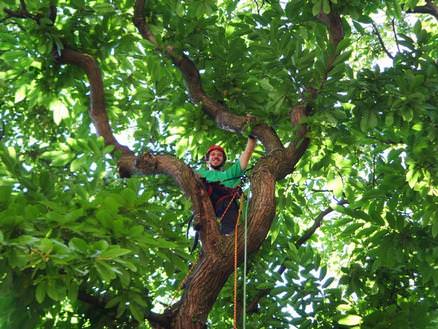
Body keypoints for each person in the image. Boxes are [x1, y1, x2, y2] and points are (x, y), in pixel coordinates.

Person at [197, 136, 256, 235]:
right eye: (213, 154)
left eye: (219, 155)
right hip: (206, 206)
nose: (216, 156)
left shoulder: (230, 174)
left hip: (226, 206)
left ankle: (229, 236)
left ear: (223, 161)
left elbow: (247, 154)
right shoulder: (200, 173)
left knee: (229, 230)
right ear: (207, 161)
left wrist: (252, 138)